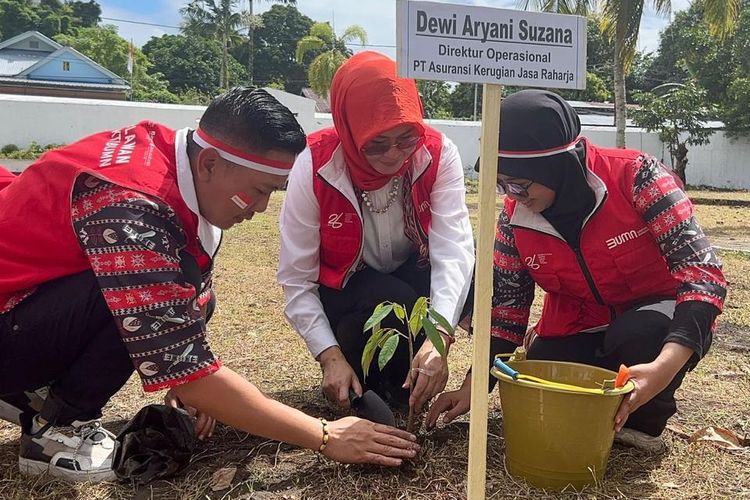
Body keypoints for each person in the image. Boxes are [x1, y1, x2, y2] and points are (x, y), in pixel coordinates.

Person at [0, 88, 420, 483]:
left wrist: (196, 381)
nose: (260, 209)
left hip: (26, 304)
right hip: (13, 315)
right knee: (135, 296)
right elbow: (183, 367)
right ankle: (53, 431)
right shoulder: (132, 209)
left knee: (193, 295)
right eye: (258, 191)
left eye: (272, 192)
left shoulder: (169, 156)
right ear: (210, 164)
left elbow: (186, 311)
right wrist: (326, 436)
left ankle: (33, 393)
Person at [426, 89, 728, 452]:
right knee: (542, 372)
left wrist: (664, 367)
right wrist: (472, 388)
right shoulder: (513, 219)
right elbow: (506, 313)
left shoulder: (636, 177)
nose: (512, 195)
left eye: (519, 183)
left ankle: (643, 421)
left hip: (652, 317)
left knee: (643, 333)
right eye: (501, 183)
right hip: (577, 322)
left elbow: (702, 273)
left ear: (556, 167)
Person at [278, 52, 474, 414]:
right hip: (347, 288)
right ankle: (370, 371)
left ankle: (414, 380)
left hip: (413, 270)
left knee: (478, 282)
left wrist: (439, 339)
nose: (395, 155)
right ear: (349, 130)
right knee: (390, 299)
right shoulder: (315, 165)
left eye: (406, 137)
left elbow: (454, 249)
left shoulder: (436, 152)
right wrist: (329, 357)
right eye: (376, 143)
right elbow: (297, 279)